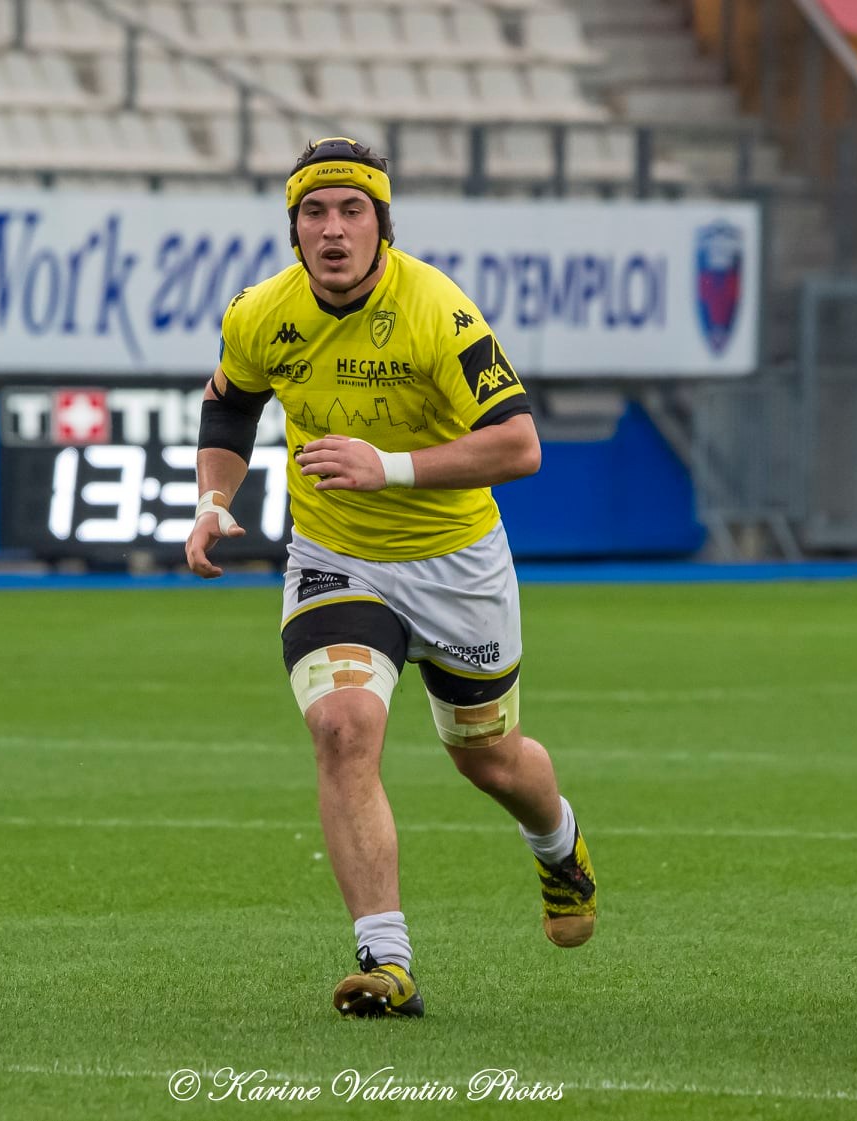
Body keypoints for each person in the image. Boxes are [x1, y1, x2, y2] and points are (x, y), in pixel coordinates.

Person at [184, 137, 597, 1018]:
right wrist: (215, 495)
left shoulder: (437, 310)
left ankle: (556, 842)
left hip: (457, 563)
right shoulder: (261, 311)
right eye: (314, 213)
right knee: (342, 726)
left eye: (352, 211)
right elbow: (230, 399)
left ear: (382, 224)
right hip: (336, 556)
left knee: (488, 758)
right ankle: (387, 959)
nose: (332, 231)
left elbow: (520, 444)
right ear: (294, 230)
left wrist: (392, 465)